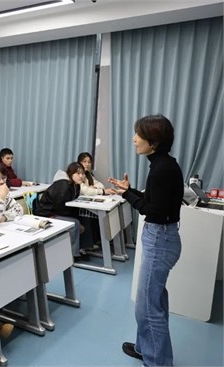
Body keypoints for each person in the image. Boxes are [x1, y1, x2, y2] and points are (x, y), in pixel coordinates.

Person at [108, 114, 183, 367]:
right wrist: (128, 191)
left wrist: (128, 196)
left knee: (148, 308)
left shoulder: (162, 169)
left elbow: (152, 210)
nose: (133, 139)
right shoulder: (163, 165)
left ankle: (158, 362)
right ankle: (145, 348)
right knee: (153, 301)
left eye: (138, 135)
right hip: (163, 236)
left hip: (159, 239)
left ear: (154, 141)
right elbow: (155, 201)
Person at [32, 162, 90, 261]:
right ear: (71, 174)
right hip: (47, 214)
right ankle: (73, 255)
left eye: (82, 173)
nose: (81, 176)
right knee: (75, 223)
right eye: (78, 173)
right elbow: (59, 207)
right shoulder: (64, 185)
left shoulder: (75, 185)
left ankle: (80, 249)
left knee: (84, 218)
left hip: (57, 211)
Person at [77, 152, 116, 249]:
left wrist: (93, 189)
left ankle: (98, 240)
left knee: (103, 214)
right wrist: (99, 191)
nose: (87, 164)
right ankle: (87, 245)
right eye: (84, 161)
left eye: (89, 162)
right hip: (77, 206)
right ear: (79, 162)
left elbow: (100, 185)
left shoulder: (88, 175)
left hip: (86, 203)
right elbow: (84, 190)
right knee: (89, 215)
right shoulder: (77, 174)